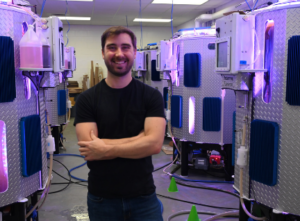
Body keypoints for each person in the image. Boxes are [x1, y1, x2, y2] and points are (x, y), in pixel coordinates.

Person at [74, 26, 166, 221]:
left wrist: (105, 148)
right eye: (112, 47)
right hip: (102, 199)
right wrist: (140, 139)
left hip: (144, 197)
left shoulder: (151, 96)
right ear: (103, 52)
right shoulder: (87, 100)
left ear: (134, 52)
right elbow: (90, 150)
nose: (119, 54)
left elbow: (155, 145)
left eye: (125, 47)